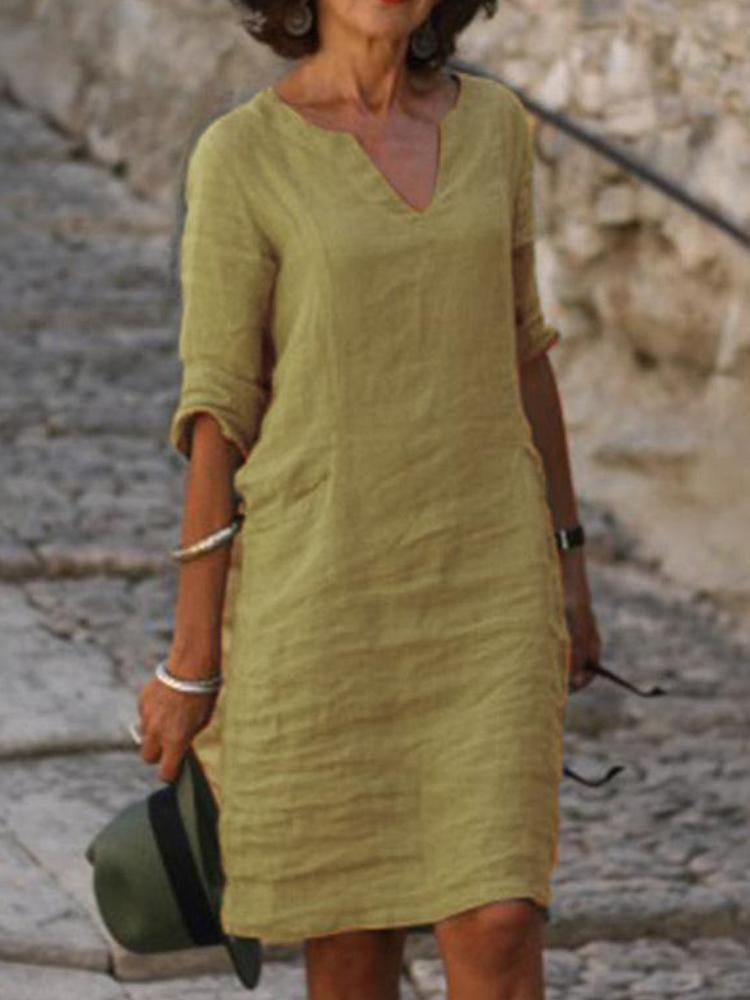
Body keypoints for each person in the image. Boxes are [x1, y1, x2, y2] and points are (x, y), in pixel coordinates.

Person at [135, 0, 602, 994]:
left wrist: (569, 560)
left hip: (487, 584)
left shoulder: (494, 128)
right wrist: (191, 658)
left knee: (501, 919)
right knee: (352, 949)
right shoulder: (243, 155)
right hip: (320, 599)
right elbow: (219, 410)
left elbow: (525, 350)